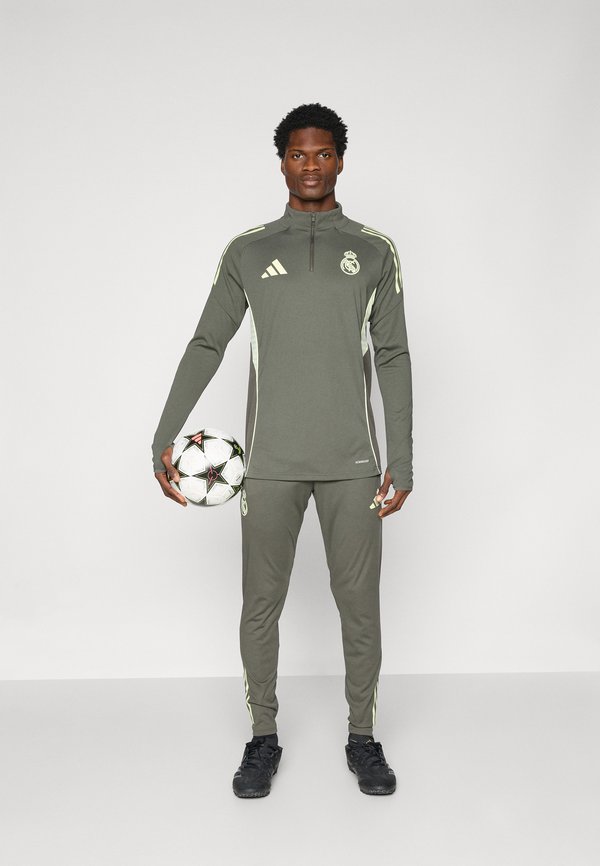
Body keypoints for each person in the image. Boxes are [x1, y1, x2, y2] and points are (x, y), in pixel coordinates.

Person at [151, 103, 413, 798]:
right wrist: (164, 436)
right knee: (260, 603)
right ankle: (262, 737)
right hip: (267, 465)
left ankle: (363, 737)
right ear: (282, 163)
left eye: (323, 153)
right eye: (298, 154)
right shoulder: (248, 250)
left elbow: (393, 354)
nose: (311, 165)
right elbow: (207, 342)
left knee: (359, 607)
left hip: (354, 465)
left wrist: (404, 457)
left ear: (340, 160)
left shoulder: (375, 251)